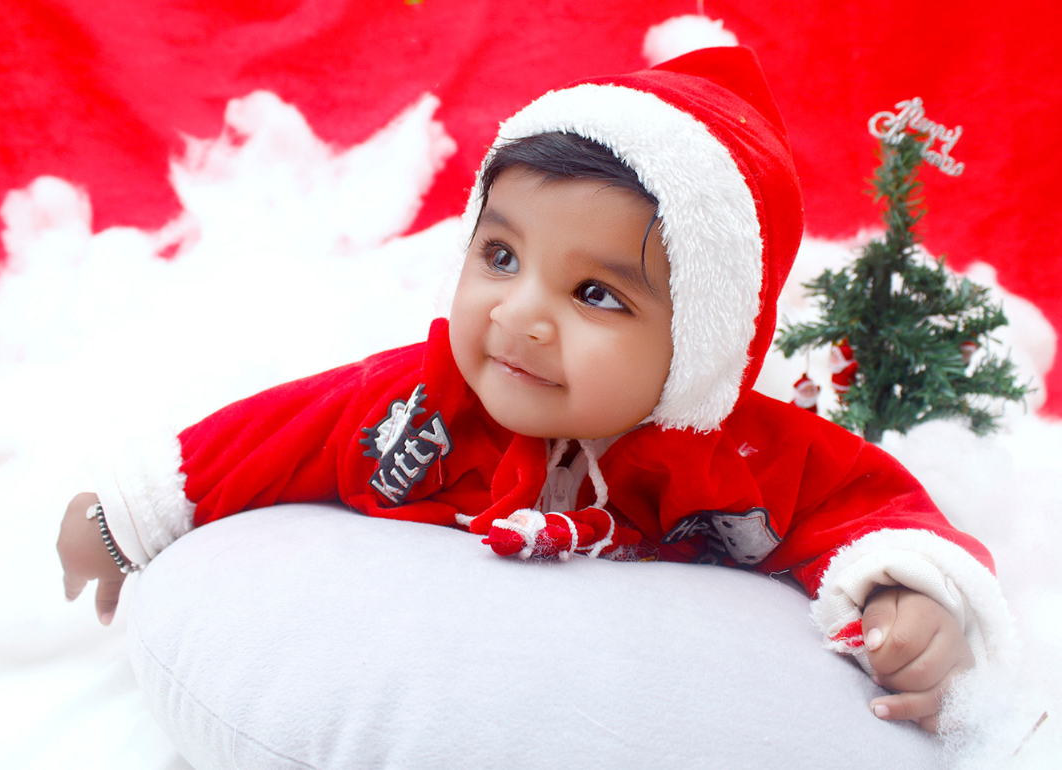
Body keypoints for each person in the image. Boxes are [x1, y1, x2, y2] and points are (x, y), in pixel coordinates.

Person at [57, 47, 1010, 734]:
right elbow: (268, 438)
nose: (518, 315)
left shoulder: (742, 452)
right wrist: (124, 517)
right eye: (500, 255)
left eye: (594, 292)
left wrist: (907, 591)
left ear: (701, 347)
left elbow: (869, 503)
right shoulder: (415, 402)